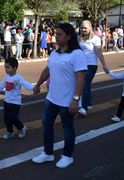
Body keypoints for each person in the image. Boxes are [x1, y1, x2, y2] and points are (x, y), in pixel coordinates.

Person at [32, 23, 87, 168]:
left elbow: (81, 78)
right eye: (56, 34)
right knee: (46, 124)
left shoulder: (77, 54)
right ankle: (48, 153)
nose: (56, 36)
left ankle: (68, 156)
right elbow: (47, 70)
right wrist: (37, 85)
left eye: (59, 34)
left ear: (69, 36)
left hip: (67, 100)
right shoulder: (55, 52)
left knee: (67, 128)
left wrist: (75, 100)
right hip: (52, 98)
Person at [0, 57, 34, 139]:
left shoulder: (18, 78)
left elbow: (26, 84)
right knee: (6, 118)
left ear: (14, 68)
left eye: (8, 67)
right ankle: (10, 131)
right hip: (7, 101)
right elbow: (2, 85)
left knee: (12, 117)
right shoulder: (7, 77)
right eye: (5, 67)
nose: (6, 69)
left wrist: (34, 88)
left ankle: (21, 128)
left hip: (15, 102)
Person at [77, 20, 109, 116]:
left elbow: (99, 52)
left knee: (85, 85)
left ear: (90, 28)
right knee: (85, 85)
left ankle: (84, 108)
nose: (83, 29)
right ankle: (89, 102)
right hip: (81, 65)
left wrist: (104, 65)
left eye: (85, 28)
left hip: (91, 65)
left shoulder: (95, 39)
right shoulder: (80, 38)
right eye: (82, 28)